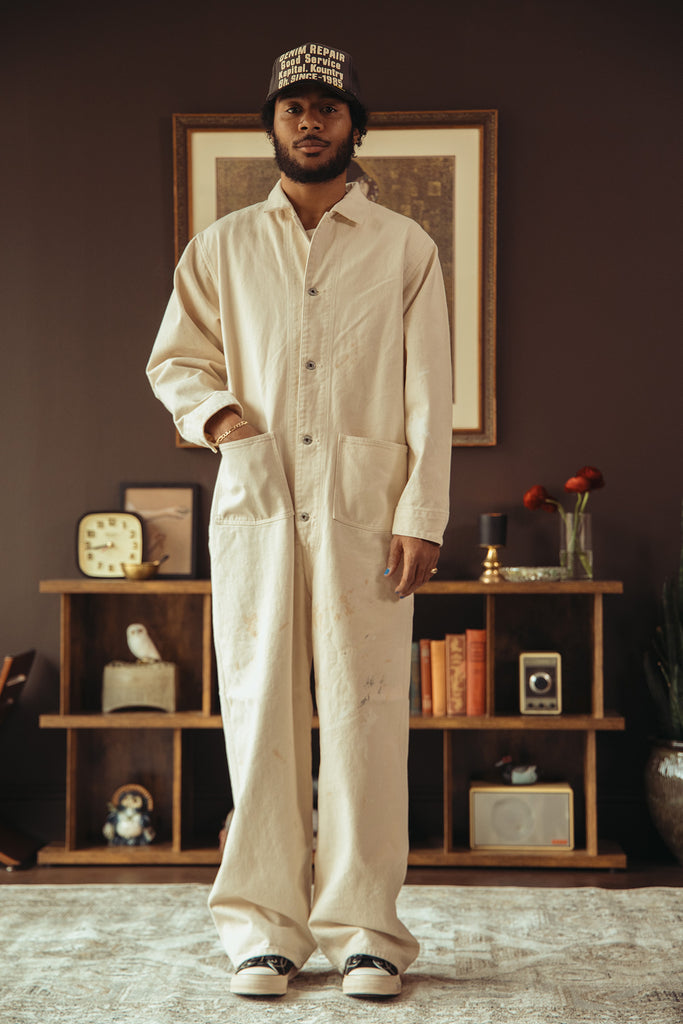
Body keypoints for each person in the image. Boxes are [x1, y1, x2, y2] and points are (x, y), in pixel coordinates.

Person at [147, 42, 453, 999]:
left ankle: (367, 933)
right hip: (258, 504)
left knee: (367, 715)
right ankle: (264, 931)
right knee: (257, 712)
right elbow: (175, 361)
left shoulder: (404, 247)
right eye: (293, 108)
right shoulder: (223, 246)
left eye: (327, 107)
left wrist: (423, 513)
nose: (309, 122)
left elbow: (428, 392)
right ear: (272, 124)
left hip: (367, 511)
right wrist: (222, 420)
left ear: (355, 124)